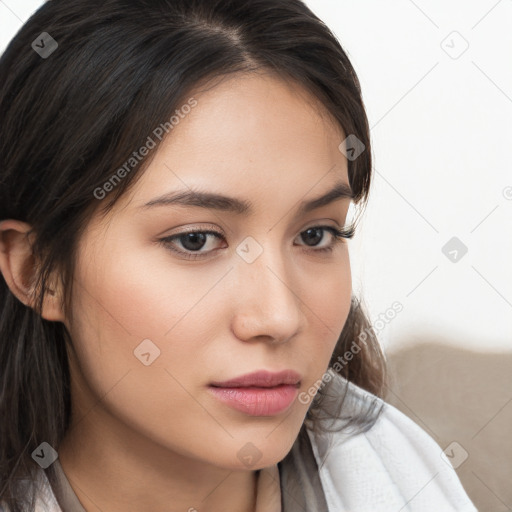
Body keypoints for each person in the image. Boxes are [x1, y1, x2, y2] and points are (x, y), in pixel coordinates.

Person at [0, 0, 477, 510]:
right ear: (37, 271)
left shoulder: (409, 482)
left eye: (316, 235)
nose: (279, 316)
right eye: (195, 240)